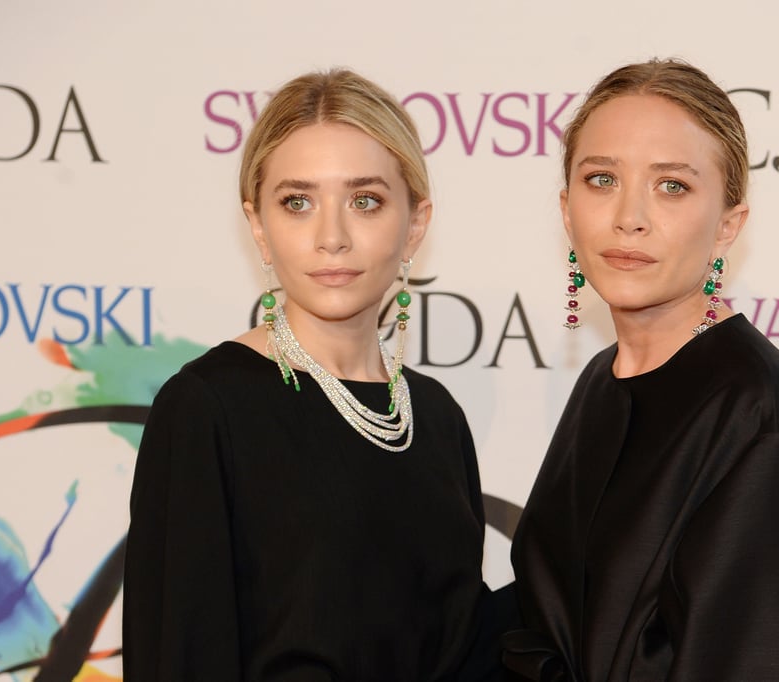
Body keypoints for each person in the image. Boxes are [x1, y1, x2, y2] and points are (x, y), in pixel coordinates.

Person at [123, 69, 510, 681]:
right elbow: (180, 654)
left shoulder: (433, 416)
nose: (331, 237)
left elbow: (465, 650)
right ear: (259, 226)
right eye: (297, 202)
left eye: (365, 201)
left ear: (415, 223)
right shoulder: (208, 407)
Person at [503, 58, 779, 680]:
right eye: (601, 179)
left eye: (672, 186)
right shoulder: (602, 383)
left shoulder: (762, 422)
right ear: (566, 208)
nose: (629, 215)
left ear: (727, 226)